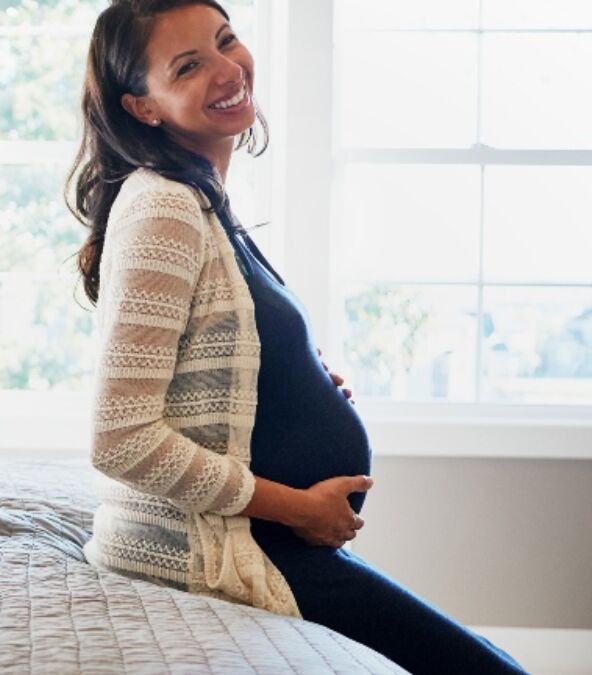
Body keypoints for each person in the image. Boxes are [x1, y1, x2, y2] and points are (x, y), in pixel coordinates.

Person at [66, 2, 527, 673]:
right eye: (189, 65)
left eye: (227, 41)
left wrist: (291, 378)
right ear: (143, 107)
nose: (227, 69)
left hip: (277, 539)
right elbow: (120, 437)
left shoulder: (201, 199)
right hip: (233, 547)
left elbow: (209, 362)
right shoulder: (163, 205)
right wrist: (299, 507)